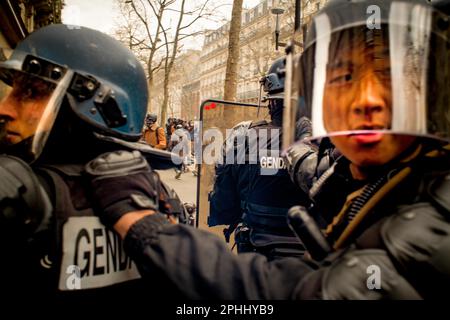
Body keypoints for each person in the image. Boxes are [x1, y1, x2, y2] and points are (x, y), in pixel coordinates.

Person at [86, 0, 450, 299]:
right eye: (342, 79)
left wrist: (148, 227)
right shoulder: (373, 173)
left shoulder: (426, 216)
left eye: (388, 76)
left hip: (257, 244)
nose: (366, 101)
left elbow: (279, 289)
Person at [0, 24, 186, 302]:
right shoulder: (158, 194)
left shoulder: (16, 188)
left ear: (100, 105)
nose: (4, 108)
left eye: (30, 93)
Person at [208, 57, 309, 260]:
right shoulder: (330, 144)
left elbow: (224, 199)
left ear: (271, 101)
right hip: (312, 251)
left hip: (256, 249)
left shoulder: (244, 138)